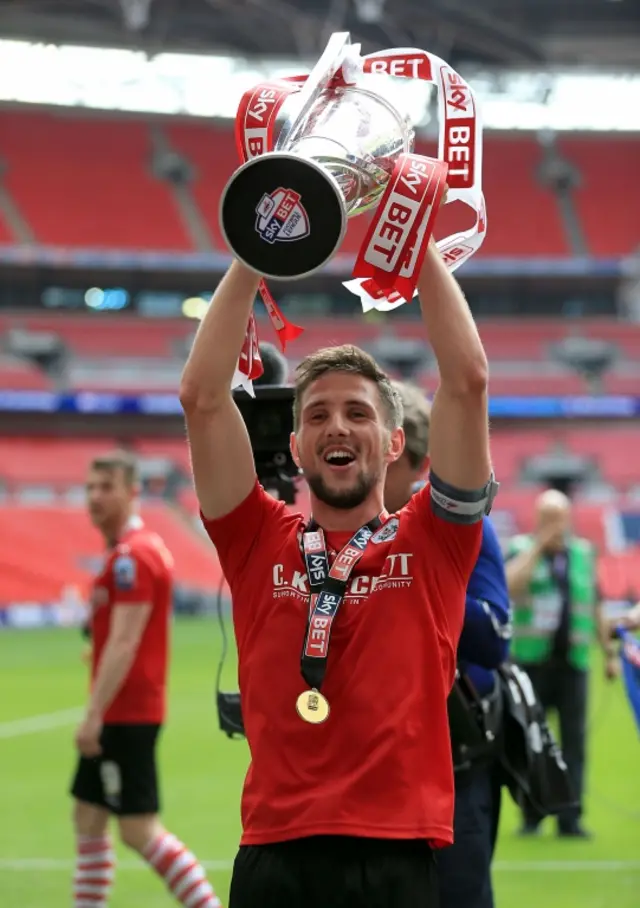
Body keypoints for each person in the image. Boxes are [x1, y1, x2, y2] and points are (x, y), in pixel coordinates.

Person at [180, 238, 496, 908]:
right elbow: (203, 398)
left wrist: (419, 248)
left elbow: (466, 380)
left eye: (358, 413)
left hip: (396, 859)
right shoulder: (256, 538)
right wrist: (252, 250)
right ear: (296, 447)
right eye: (318, 415)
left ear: (393, 442)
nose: (337, 426)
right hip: (273, 855)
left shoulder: (435, 541)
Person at [70, 451, 222, 908]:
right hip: (124, 708)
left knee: (138, 829)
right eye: (91, 487)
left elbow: (125, 641)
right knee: (88, 817)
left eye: (107, 487)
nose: (95, 497)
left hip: (125, 714)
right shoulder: (128, 553)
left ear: (133, 492)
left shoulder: (131, 558)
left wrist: (93, 714)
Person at [385, 381, 510, 908]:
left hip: (457, 763)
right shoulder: (333, 531)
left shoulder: (461, 527)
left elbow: (494, 640)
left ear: (414, 461)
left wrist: (419, 580)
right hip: (370, 767)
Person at [505, 488, 608, 839]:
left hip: (573, 664)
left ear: (569, 519)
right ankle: (532, 816)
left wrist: (607, 653)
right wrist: (538, 546)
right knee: (531, 742)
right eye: (547, 519)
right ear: (537, 520)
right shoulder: (521, 549)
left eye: (559, 518)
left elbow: (593, 602)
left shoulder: (582, 554)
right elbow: (510, 587)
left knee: (574, 743)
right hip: (532, 664)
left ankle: (570, 818)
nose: (554, 526)